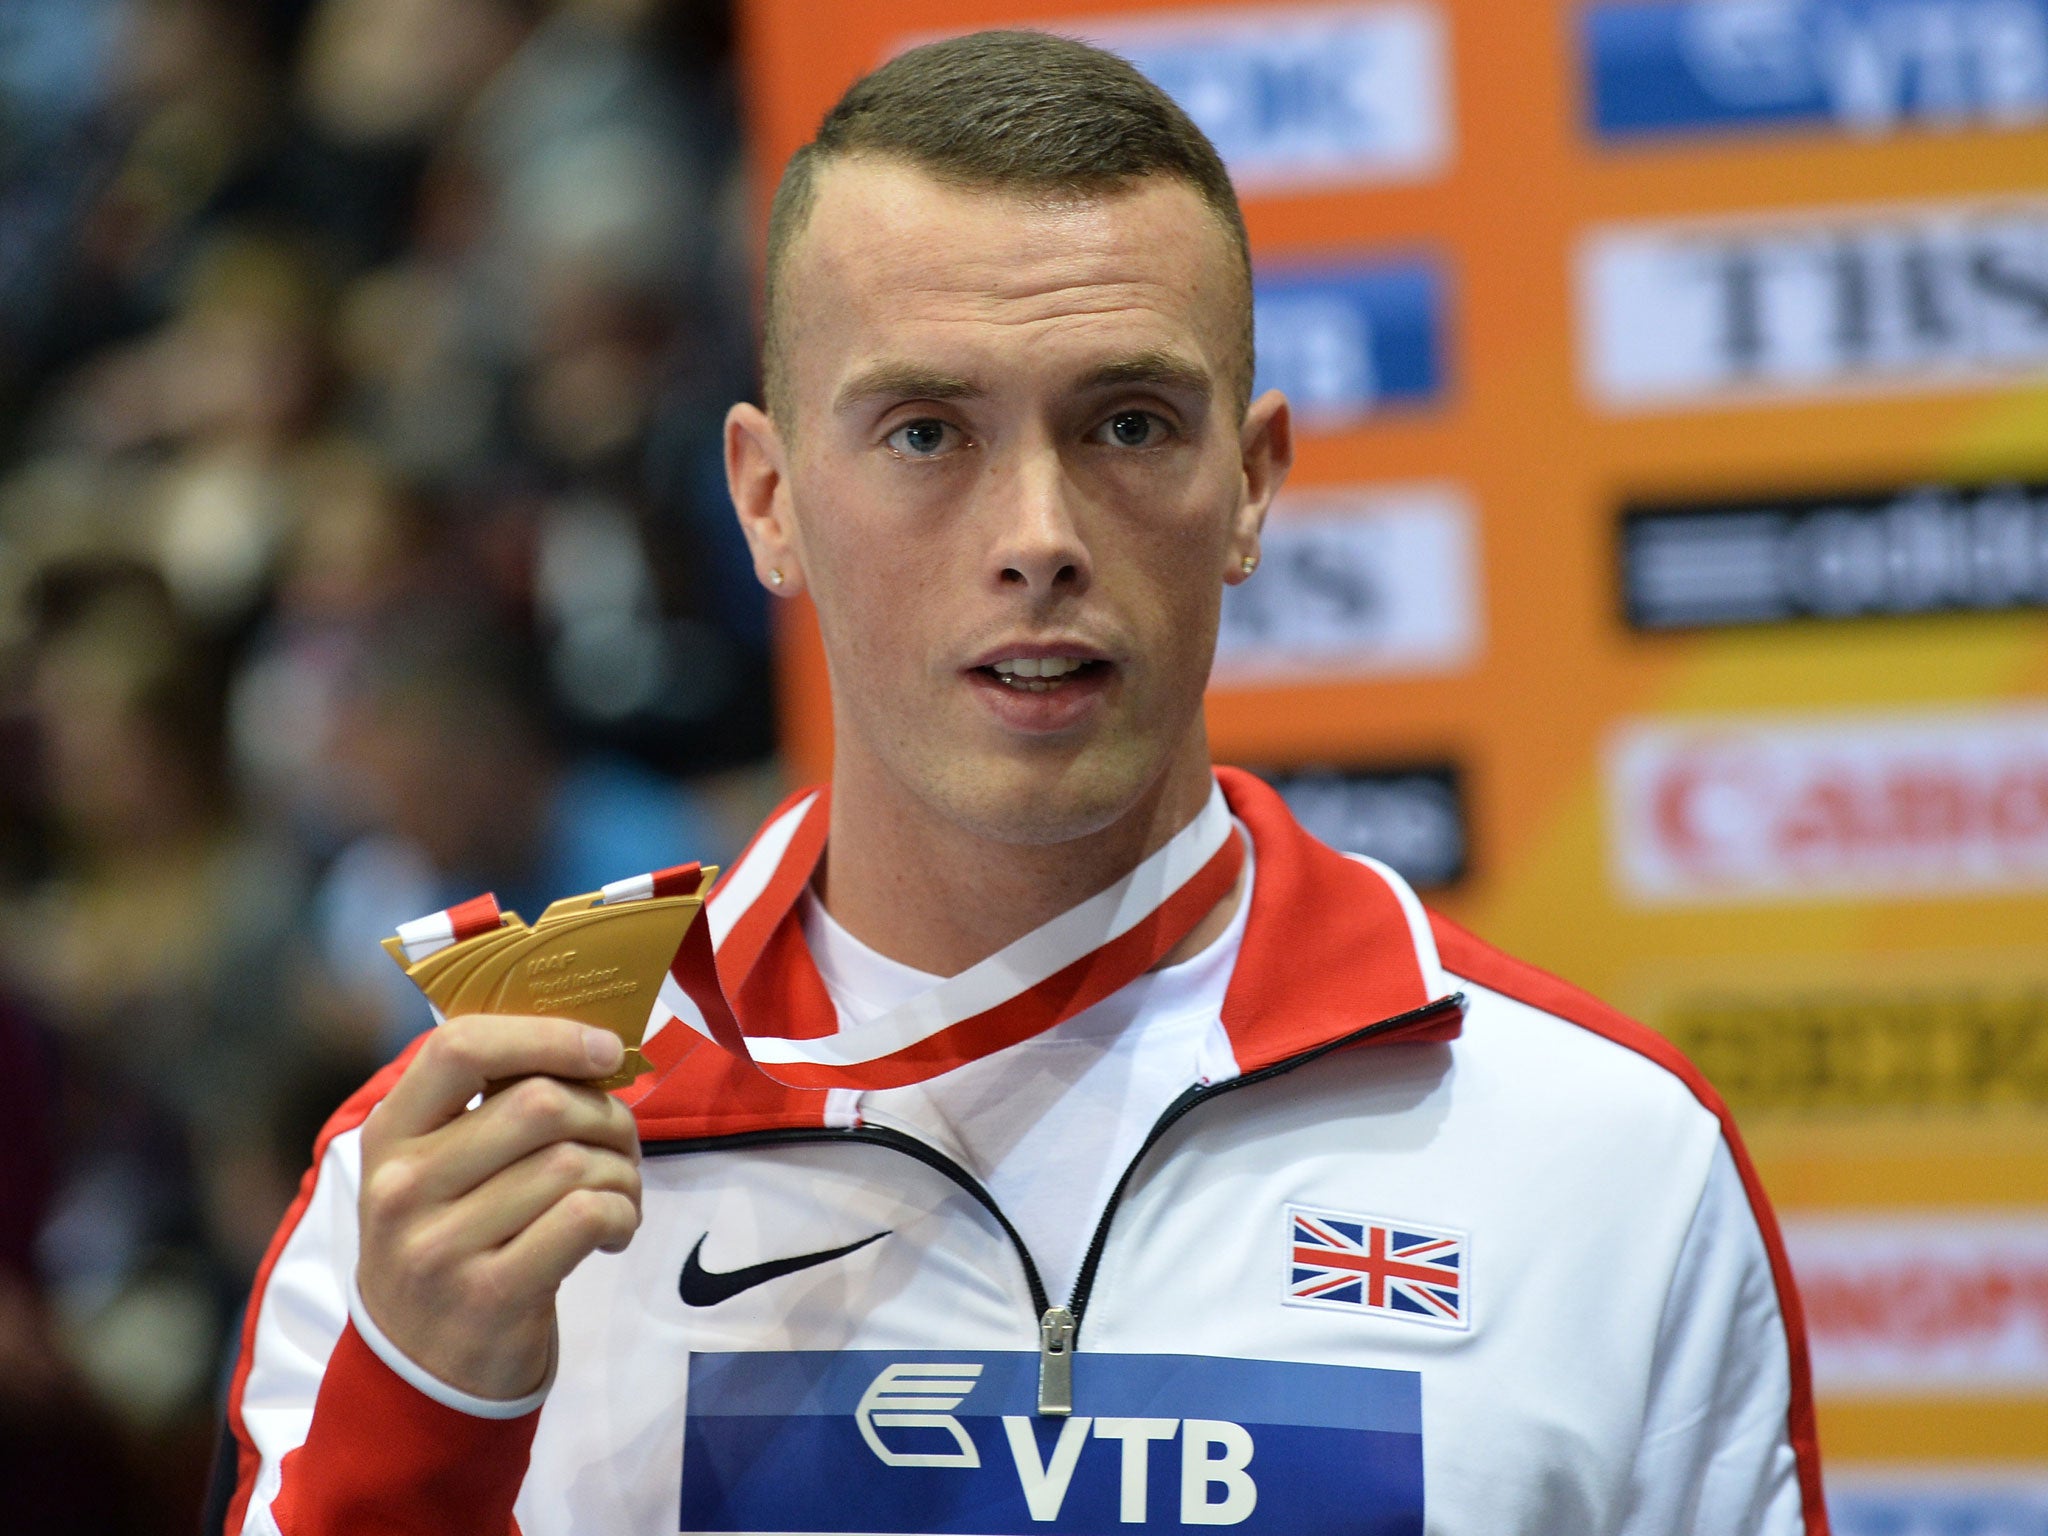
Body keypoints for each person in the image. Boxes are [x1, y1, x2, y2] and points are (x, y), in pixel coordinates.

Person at [211, 30, 1826, 1536]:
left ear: (1251, 487)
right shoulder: (450, 1194)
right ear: (769, 501)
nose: (1038, 533)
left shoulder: (1602, 1155)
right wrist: (413, 1420)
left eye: (1128, 422)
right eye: (925, 433)